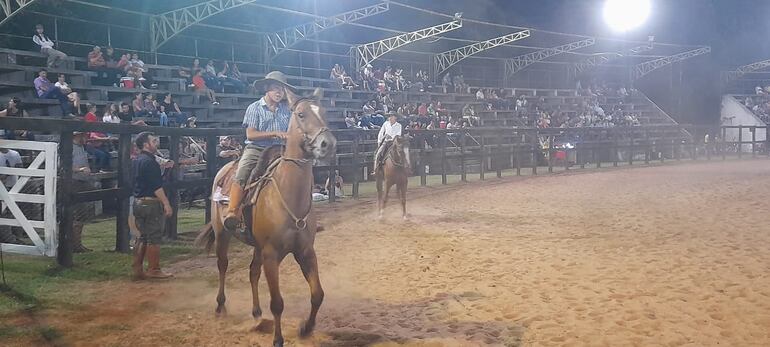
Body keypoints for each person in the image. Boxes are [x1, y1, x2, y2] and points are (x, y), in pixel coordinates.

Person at [223, 71, 294, 231]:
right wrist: (274, 133)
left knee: (298, 171)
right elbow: (251, 134)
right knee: (243, 171)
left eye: (282, 90)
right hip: (257, 148)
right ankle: (232, 211)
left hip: (280, 150)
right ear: (266, 88)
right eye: (276, 88)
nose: (279, 93)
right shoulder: (254, 108)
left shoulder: (287, 111)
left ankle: (302, 217)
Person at [131, 131, 174, 280]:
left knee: (142, 237)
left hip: (138, 202)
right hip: (150, 203)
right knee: (154, 238)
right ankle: (154, 269)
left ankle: (138, 268)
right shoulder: (150, 162)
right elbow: (157, 187)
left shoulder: (138, 160)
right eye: (153, 141)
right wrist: (166, 203)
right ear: (146, 145)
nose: (156, 143)